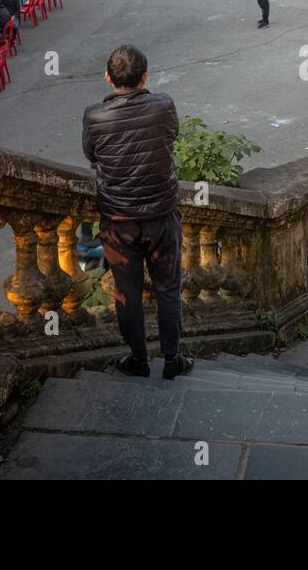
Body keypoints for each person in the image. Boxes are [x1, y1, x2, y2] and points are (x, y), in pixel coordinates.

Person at [82, 45, 194, 380]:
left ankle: (138, 359)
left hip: (119, 223)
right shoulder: (164, 106)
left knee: (126, 293)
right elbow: (170, 137)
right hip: (161, 216)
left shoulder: (94, 116)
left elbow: (91, 155)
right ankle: (173, 359)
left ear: (108, 78)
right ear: (145, 76)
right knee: (168, 289)